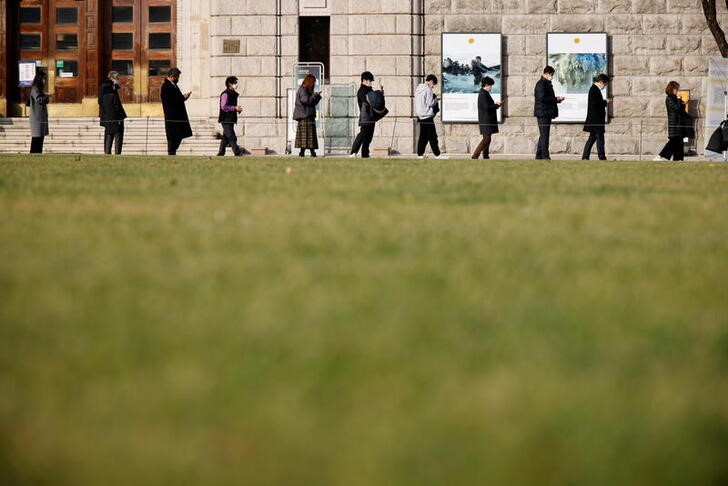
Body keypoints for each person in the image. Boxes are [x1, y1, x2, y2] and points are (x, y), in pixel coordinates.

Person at [533, 66, 565, 161]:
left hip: (545, 112)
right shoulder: (541, 84)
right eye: (551, 75)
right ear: (547, 74)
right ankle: (545, 156)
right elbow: (542, 98)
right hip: (543, 113)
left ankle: (539, 156)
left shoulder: (546, 83)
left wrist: (557, 100)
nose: (552, 77)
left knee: (543, 135)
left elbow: (547, 98)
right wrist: (555, 99)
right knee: (545, 135)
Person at [414, 74, 447, 159]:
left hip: (420, 116)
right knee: (433, 136)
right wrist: (436, 100)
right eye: (433, 85)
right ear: (431, 81)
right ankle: (437, 154)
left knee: (423, 137)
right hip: (427, 116)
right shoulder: (428, 90)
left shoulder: (418, 89)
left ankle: (420, 154)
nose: (433, 87)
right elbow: (430, 103)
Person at [160, 67, 192, 155]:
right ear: (172, 76)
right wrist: (182, 98)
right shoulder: (166, 86)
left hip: (178, 115)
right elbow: (170, 101)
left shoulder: (173, 85)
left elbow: (177, 98)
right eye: (177, 77)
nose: (178, 79)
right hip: (172, 116)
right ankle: (171, 152)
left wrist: (183, 97)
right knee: (172, 137)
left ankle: (173, 151)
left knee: (179, 135)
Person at [350, 71, 381, 158]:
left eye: (371, 81)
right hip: (365, 117)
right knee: (362, 134)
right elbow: (368, 101)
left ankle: (365, 154)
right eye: (369, 80)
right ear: (364, 80)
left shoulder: (370, 90)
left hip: (371, 116)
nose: (370, 82)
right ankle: (353, 152)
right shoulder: (361, 91)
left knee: (368, 137)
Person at [581, 74, 611, 160]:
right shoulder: (594, 89)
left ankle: (585, 156)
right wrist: (605, 102)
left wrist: (604, 101)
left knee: (592, 138)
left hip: (595, 120)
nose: (604, 86)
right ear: (601, 82)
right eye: (604, 84)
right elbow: (596, 104)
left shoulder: (594, 89)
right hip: (596, 120)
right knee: (600, 139)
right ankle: (602, 157)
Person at [655, 81, 687, 161]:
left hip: (679, 124)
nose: (677, 91)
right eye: (676, 89)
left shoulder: (675, 99)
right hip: (674, 124)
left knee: (679, 142)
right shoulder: (669, 98)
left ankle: (678, 159)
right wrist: (680, 101)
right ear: (672, 89)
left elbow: (681, 111)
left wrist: (683, 104)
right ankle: (660, 156)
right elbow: (676, 108)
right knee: (673, 141)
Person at [472, 76, 503, 159]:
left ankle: (486, 156)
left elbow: (488, 106)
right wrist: (496, 105)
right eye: (490, 85)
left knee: (487, 139)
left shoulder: (484, 93)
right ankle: (475, 155)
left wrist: (496, 105)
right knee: (486, 140)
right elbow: (487, 107)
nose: (491, 87)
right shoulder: (483, 94)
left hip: (487, 119)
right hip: (486, 120)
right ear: (486, 85)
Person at [292, 74, 322, 157]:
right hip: (305, 117)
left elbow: (312, 103)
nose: (314, 85)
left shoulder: (306, 90)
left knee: (308, 137)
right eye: (314, 83)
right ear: (310, 82)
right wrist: (314, 95)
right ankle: (309, 153)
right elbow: (306, 101)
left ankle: (305, 153)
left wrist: (317, 96)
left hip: (308, 116)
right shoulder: (303, 90)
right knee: (307, 137)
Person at [98, 71, 127, 155]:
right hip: (111, 116)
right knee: (113, 135)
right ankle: (111, 152)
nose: (118, 80)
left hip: (110, 116)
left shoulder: (112, 87)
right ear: (112, 78)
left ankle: (111, 152)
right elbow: (103, 102)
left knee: (111, 134)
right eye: (117, 78)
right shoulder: (107, 88)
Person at [217, 76, 244, 156]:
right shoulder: (225, 94)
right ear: (229, 84)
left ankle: (220, 153)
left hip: (230, 118)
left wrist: (237, 109)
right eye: (235, 83)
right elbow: (223, 106)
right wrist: (234, 108)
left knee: (225, 137)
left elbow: (230, 107)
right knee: (231, 136)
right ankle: (237, 152)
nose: (236, 84)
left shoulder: (233, 94)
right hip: (225, 119)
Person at [28, 69, 50, 154]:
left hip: (41, 118)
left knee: (41, 137)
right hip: (37, 119)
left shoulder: (39, 89)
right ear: (39, 79)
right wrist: (46, 97)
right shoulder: (35, 88)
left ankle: (38, 154)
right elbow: (38, 99)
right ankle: (33, 153)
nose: (45, 81)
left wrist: (45, 96)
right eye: (44, 79)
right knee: (36, 138)